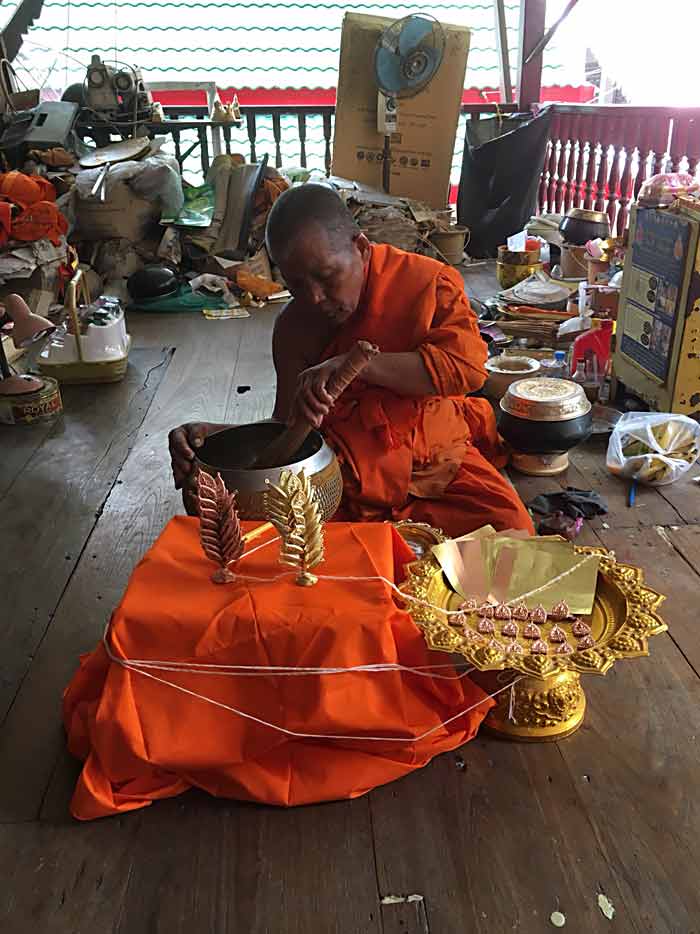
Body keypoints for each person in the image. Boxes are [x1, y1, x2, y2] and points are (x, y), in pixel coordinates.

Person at [169, 184, 533, 538]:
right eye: (296, 285)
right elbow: (288, 426)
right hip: (342, 480)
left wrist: (359, 365)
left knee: (511, 529)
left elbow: (466, 371)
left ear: (360, 248)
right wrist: (215, 437)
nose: (314, 298)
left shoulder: (425, 282)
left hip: (435, 466)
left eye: (327, 277)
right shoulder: (294, 326)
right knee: (265, 538)